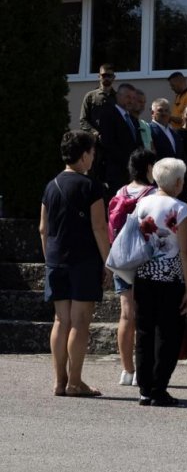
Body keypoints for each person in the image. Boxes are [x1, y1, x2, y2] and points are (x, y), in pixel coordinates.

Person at [39, 130, 111, 397]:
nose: (93, 158)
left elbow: (43, 229)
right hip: (84, 260)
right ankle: (75, 382)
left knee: (60, 320)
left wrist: (50, 259)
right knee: (80, 321)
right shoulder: (90, 186)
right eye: (92, 153)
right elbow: (99, 227)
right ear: (83, 156)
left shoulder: (50, 185)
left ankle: (59, 381)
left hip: (56, 259)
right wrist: (108, 262)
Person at [133, 157, 187, 407]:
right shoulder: (180, 209)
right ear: (178, 182)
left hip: (144, 274)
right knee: (168, 333)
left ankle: (145, 388)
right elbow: (185, 251)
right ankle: (159, 387)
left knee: (145, 331)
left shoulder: (142, 203)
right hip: (171, 278)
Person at [108, 148, 158, 389]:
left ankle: (127, 370)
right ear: (149, 168)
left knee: (126, 315)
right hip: (145, 260)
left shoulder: (121, 191)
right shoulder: (154, 194)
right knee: (144, 317)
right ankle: (143, 368)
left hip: (121, 260)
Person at [98, 83, 144, 199]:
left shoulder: (133, 120)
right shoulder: (108, 114)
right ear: (118, 96)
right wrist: (129, 163)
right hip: (117, 174)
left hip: (134, 174)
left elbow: (138, 145)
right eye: (128, 97)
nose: (131, 101)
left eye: (133, 98)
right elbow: (109, 144)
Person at [79, 63, 116, 137]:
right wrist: (93, 132)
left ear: (114, 77)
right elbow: (83, 120)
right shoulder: (90, 96)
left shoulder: (118, 98)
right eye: (104, 75)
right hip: (94, 141)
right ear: (99, 76)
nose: (107, 78)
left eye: (109, 76)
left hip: (113, 142)